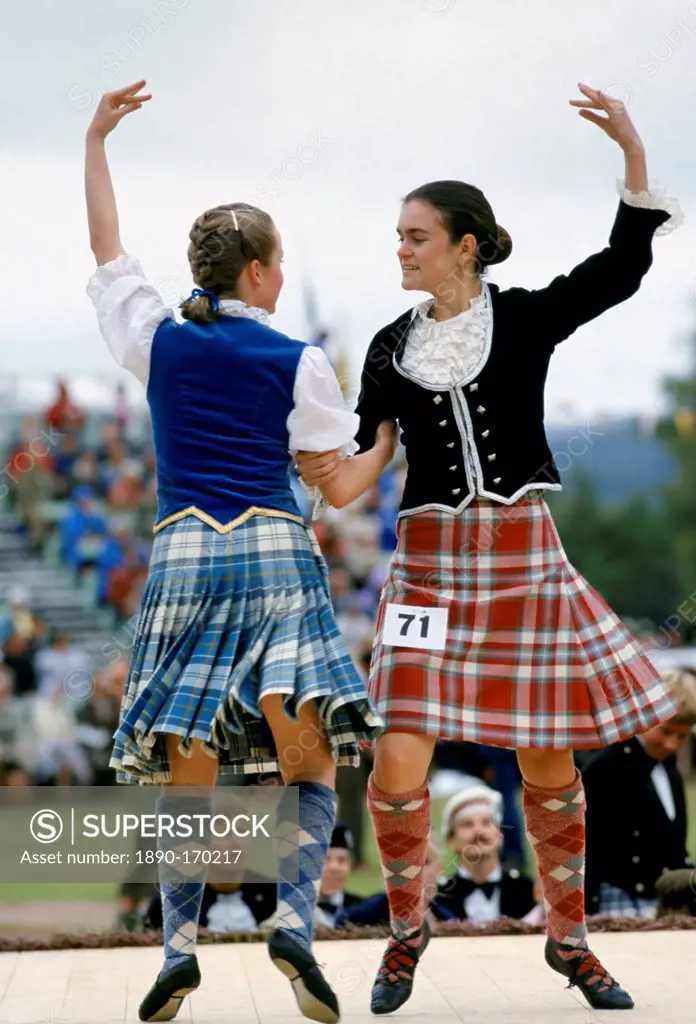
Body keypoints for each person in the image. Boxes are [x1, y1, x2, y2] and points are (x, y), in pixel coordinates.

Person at [297, 84, 682, 1015]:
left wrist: (631, 147)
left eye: (415, 236)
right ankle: (405, 929)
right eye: (397, 236)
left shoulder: (523, 318)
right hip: (428, 565)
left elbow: (622, 266)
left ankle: (570, 940)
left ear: (465, 245)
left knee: (549, 764)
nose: (400, 248)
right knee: (397, 757)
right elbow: (363, 468)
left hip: (524, 555)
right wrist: (308, 471)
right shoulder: (389, 350)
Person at [84, 80, 389, 1024]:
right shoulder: (297, 358)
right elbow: (338, 488)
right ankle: (293, 921)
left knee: (190, 761)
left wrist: (96, 139)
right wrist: (387, 439)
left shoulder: (158, 338)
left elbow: (107, 250)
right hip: (271, 549)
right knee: (304, 758)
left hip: (180, 551)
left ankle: (177, 944)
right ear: (257, 270)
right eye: (279, 260)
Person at [583, 667, 696, 918]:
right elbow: (585, 848)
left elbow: (673, 842)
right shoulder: (604, 768)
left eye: (682, 736)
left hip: (665, 901)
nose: (672, 744)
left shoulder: (669, 769)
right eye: (666, 731)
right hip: (614, 901)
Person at [435, 785, 536, 924]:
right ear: (451, 840)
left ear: (500, 835)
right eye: (467, 824)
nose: (478, 831)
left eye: (487, 823)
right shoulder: (438, 898)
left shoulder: (526, 889)